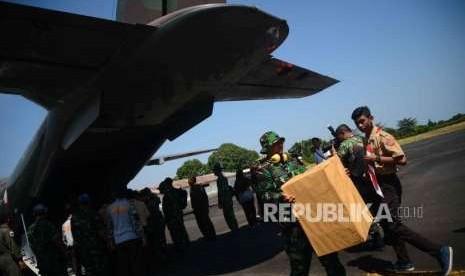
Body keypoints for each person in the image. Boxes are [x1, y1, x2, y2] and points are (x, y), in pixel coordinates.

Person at [351, 106, 453, 274]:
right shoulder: (367, 138)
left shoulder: (383, 136)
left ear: (371, 118)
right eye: (357, 123)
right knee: (387, 223)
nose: (360, 125)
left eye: (362, 121)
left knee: (393, 224)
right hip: (377, 185)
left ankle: (439, 251)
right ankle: (404, 261)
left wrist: (376, 158)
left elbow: (402, 159)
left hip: (388, 185)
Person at [254, 131, 346, 276]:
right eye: (275, 144)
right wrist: (280, 196)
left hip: (312, 215)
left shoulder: (294, 160)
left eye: (280, 142)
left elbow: (309, 178)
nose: (280, 145)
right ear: (267, 148)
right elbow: (265, 195)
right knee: (300, 267)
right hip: (292, 223)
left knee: (331, 258)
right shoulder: (263, 169)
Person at [335, 124, 384, 250]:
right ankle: (386, 234)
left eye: (339, 137)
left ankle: (376, 235)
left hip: (358, 182)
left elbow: (337, 164)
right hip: (372, 179)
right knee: (377, 206)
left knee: (363, 210)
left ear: (342, 134)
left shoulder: (344, 145)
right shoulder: (363, 139)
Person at [106, 188, 143, 276]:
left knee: (124, 266)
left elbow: (110, 226)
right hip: (131, 236)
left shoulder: (109, 208)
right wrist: (141, 235)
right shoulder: (129, 204)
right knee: (135, 263)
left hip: (119, 240)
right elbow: (135, 220)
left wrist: (111, 241)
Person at [71, 194, 109, 276]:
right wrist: (109, 242)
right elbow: (101, 231)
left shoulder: (74, 218)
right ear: (89, 202)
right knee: (102, 270)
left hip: (84, 251)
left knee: (90, 271)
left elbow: (75, 237)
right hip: (97, 248)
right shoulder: (93, 214)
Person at [28, 203, 68, 276]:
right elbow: (57, 240)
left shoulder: (30, 229)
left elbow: (31, 246)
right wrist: (65, 252)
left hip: (42, 264)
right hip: (54, 262)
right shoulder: (48, 225)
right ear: (44, 213)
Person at [158, 178, 190, 253]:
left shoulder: (169, 195)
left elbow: (169, 208)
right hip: (178, 215)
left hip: (172, 217)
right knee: (181, 229)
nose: (160, 191)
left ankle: (181, 248)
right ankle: (186, 243)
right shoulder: (176, 191)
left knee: (175, 233)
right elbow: (183, 193)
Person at [213, 164, 239, 232]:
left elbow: (221, 192)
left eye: (214, 170)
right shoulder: (223, 178)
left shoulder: (220, 179)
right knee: (230, 215)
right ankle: (235, 227)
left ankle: (234, 229)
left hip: (225, 200)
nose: (214, 172)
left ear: (217, 170)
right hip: (228, 199)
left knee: (228, 216)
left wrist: (220, 202)